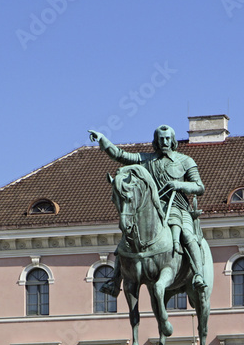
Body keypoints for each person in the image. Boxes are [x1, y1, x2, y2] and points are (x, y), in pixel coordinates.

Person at [89, 125, 207, 294]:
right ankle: (115, 280)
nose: (164, 141)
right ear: (156, 141)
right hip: (152, 212)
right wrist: (103, 140)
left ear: (173, 140)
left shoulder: (185, 161)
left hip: (178, 208)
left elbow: (199, 187)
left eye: (167, 138)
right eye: (161, 139)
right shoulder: (146, 159)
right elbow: (120, 155)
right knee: (126, 240)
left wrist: (178, 184)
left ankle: (198, 275)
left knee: (187, 235)